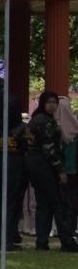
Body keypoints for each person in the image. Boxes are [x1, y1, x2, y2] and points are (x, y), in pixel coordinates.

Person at [26, 91, 78, 251]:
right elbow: (50, 149)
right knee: (58, 203)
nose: (52, 106)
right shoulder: (44, 121)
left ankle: (42, 242)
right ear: (42, 103)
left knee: (44, 204)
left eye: (54, 103)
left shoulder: (38, 119)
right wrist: (60, 170)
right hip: (45, 165)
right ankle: (67, 242)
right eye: (49, 102)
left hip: (35, 164)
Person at [0, 96, 29, 250]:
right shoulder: (22, 128)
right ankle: (6, 238)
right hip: (15, 166)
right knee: (12, 202)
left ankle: (0, 236)